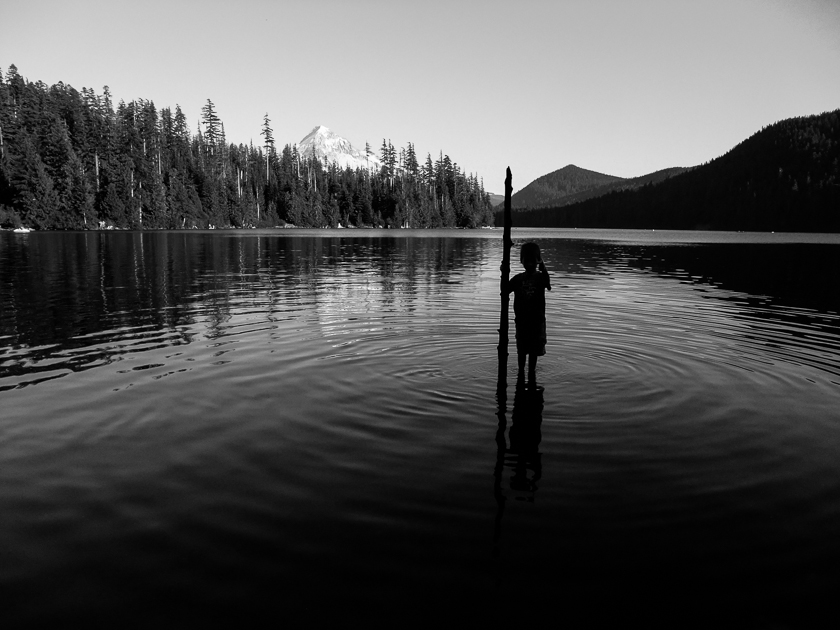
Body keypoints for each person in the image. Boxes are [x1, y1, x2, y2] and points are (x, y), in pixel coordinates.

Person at [507, 242, 551, 386]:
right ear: (522, 261)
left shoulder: (540, 278)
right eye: (528, 260)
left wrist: (542, 264)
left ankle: (529, 379)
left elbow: (548, 284)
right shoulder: (518, 279)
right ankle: (522, 379)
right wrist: (503, 269)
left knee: (532, 357)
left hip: (536, 324)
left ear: (537, 261)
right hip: (522, 323)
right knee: (521, 354)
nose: (530, 263)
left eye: (534, 260)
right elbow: (505, 290)